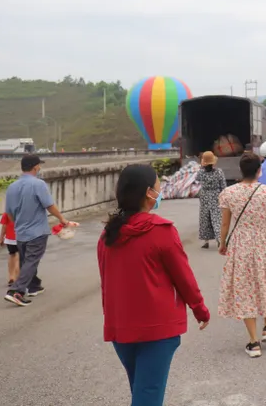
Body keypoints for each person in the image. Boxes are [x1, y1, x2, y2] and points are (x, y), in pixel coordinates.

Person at [98, 164, 210, 406]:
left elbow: (106, 282)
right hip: (157, 330)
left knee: (142, 391)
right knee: (148, 395)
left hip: (121, 328)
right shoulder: (161, 231)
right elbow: (183, 277)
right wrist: (200, 309)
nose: (160, 191)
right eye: (158, 186)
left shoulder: (108, 234)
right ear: (149, 193)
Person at [218, 153, 266, 358]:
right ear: (259, 170)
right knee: (265, 282)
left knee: (244, 288)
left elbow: (225, 223)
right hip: (263, 242)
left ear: (241, 170)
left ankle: (253, 342)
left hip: (240, 244)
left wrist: (223, 243)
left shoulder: (228, 193)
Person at [3, 154, 79, 306]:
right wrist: (62, 219)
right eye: (39, 165)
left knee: (26, 261)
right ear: (35, 167)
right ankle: (16, 291)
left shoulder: (12, 186)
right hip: (37, 232)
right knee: (31, 261)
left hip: (20, 232)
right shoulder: (38, 184)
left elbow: (9, 213)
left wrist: (18, 224)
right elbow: (49, 205)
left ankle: (33, 286)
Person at [196, 151, 225, 249]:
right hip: (216, 196)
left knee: (205, 218)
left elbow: (197, 179)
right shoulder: (219, 172)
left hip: (204, 196)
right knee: (217, 218)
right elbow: (223, 186)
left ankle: (206, 241)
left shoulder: (201, 172)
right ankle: (219, 240)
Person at [0, 212, 19, 288]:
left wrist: (1, 238)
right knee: (19, 257)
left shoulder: (7, 212)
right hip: (21, 237)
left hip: (10, 239)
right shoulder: (22, 210)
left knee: (12, 255)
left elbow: (4, 226)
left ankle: (11, 277)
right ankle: (17, 278)